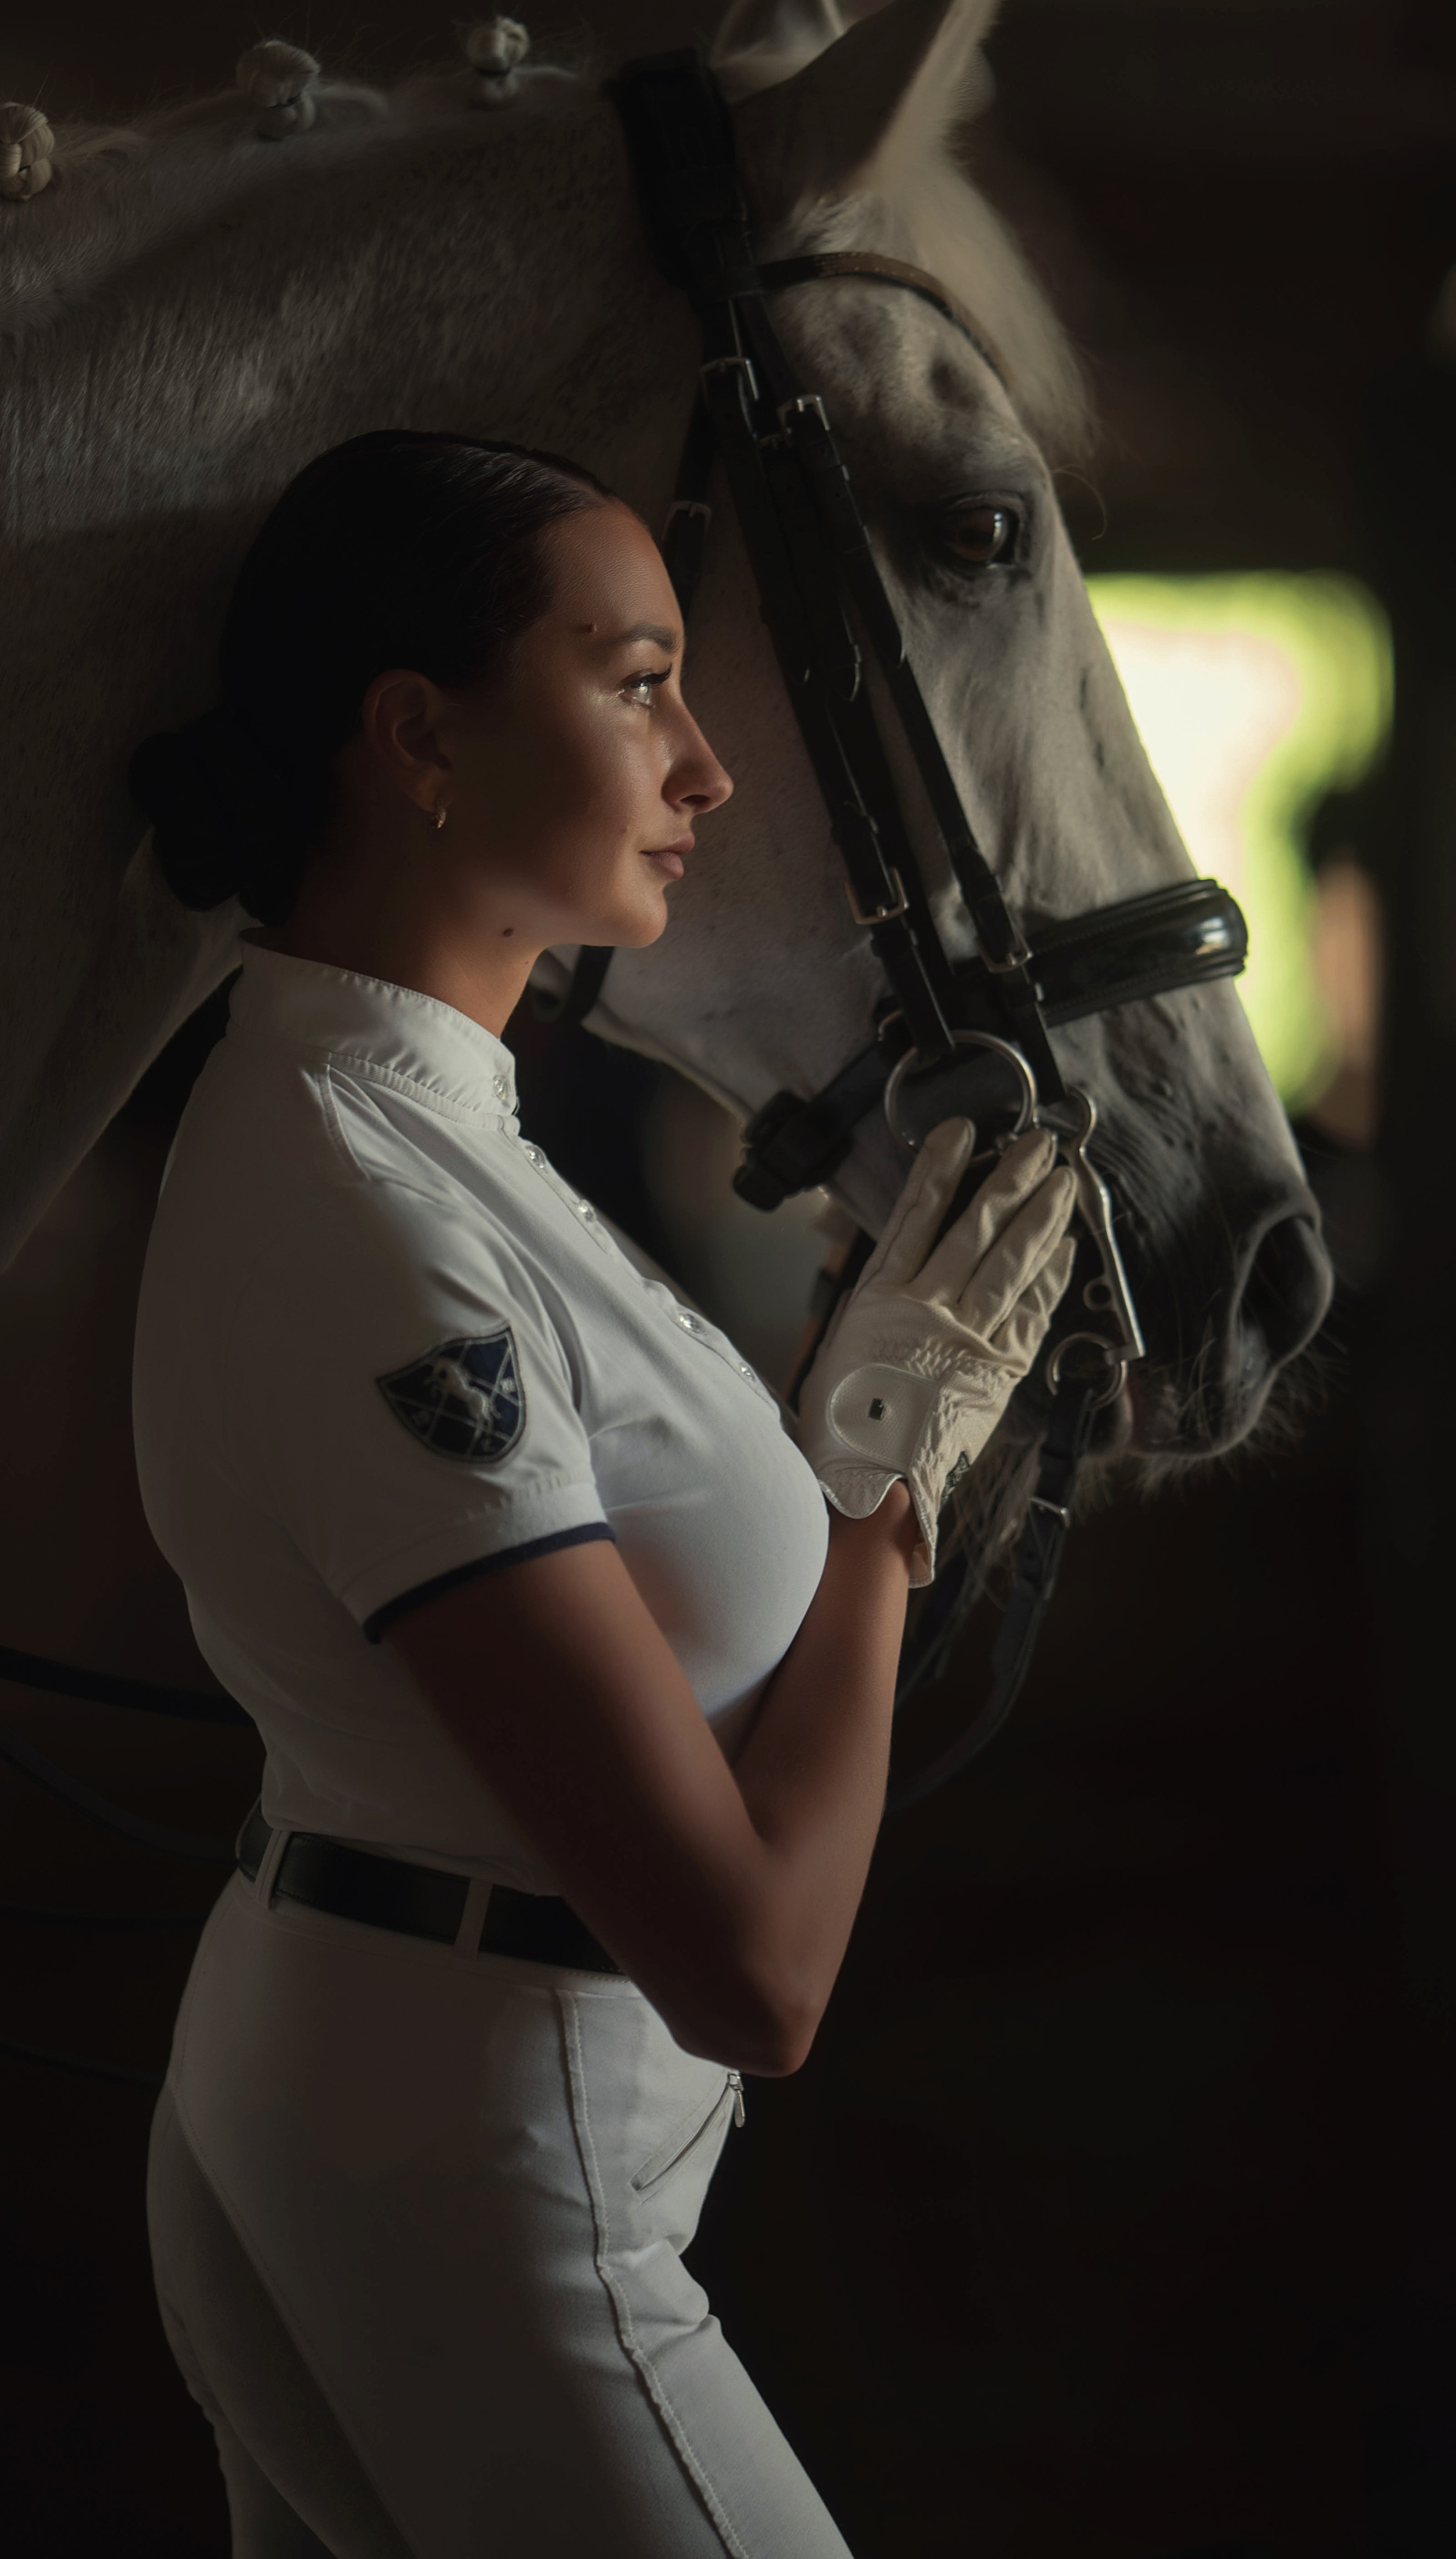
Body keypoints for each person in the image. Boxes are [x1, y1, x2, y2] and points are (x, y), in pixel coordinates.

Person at [128, 431, 1077, 2559]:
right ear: (420, 741)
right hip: (482, 2148)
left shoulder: (418, 1115)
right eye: (639, 678)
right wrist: (893, 1490)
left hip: (415, 2080)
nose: (707, 764)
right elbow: (758, 1967)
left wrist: (852, 1420)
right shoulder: (369, 1195)